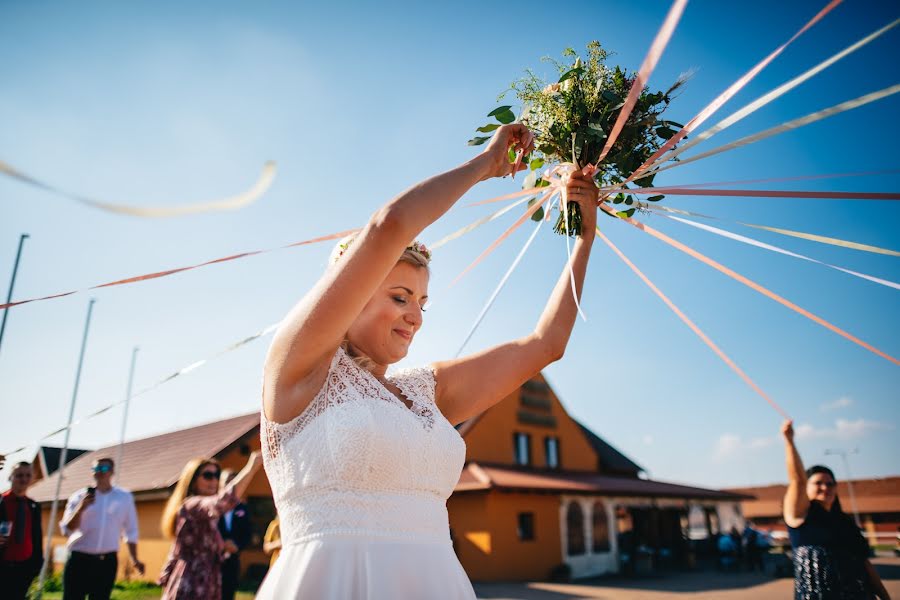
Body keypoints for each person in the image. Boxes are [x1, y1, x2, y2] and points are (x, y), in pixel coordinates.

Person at [257, 123, 599, 598]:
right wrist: (487, 165)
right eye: (400, 297)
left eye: (422, 302)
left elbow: (546, 344)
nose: (415, 316)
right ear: (347, 296)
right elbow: (389, 226)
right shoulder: (296, 372)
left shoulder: (426, 391)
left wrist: (582, 238)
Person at [781, 420, 891, 599]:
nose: (825, 487)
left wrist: (886, 597)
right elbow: (797, 480)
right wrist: (789, 442)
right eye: (818, 483)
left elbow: (865, 564)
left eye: (830, 483)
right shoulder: (800, 516)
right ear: (806, 489)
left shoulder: (845, 522)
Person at [159, 452, 262, 600]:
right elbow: (223, 502)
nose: (214, 480)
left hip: (210, 583)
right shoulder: (191, 504)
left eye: (217, 475)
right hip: (192, 585)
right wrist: (251, 468)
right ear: (192, 480)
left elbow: (175, 550)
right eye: (208, 475)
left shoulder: (205, 513)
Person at [60, 457, 144, 600]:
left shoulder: (124, 497)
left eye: (104, 469)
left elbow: (131, 530)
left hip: (107, 562)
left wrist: (135, 558)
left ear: (112, 472)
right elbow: (67, 529)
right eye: (96, 469)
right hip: (79, 559)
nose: (100, 472)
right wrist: (81, 508)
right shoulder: (79, 496)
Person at [0, 462, 43, 599]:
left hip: (25, 568)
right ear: (10, 477)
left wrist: (36, 565)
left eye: (27, 475)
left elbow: (37, 536)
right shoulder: (1, 501)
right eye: (19, 475)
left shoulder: (33, 505)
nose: (23, 479)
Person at [216, 470, 252, 600]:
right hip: (213, 560)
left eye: (233, 481)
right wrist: (221, 543)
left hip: (232, 560)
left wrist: (237, 546)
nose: (230, 485)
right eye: (226, 481)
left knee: (228, 594)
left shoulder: (242, 508)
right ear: (220, 484)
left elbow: (247, 533)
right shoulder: (212, 505)